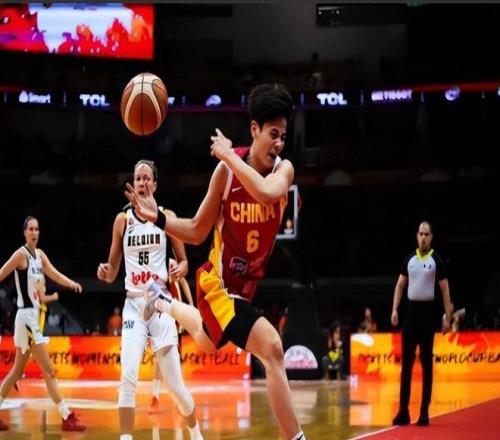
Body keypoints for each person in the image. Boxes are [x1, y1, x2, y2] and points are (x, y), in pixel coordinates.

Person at [126, 83, 308, 440]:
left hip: (245, 287)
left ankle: (161, 302)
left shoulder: (282, 170)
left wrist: (229, 156)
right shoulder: (225, 174)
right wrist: (157, 219)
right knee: (272, 347)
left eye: (283, 137)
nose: (278, 144)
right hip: (218, 284)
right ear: (254, 129)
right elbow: (196, 230)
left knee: (208, 342)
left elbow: (267, 193)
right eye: (273, 134)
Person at [97, 160, 203, 440]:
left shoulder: (167, 217)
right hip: (134, 305)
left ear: (155, 184)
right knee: (128, 377)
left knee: (176, 387)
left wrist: (180, 269)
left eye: (147, 178)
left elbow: (184, 262)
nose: (142, 182)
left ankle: (195, 433)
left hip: (160, 304)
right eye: (138, 178)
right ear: (133, 183)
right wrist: (105, 272)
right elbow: (112, 271)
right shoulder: (122, 220)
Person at [0, 216, 86, 431]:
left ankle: (66, 417)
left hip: (31, 319)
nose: (34, 232)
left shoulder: (40, 256)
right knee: (49, 370)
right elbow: (1, 274)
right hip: (26, 317)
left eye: (37, 229)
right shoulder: (20, 255)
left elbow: (54, 274)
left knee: (17, 371)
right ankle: (66, 417)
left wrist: (71, 283)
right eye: (30, 229)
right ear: (24, 232)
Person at [391, 221, 453, 427]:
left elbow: (445, 290)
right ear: (417, 236)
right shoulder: (409, 259)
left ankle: (424, 412)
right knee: (406, 366)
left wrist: (448, 316)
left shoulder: (437, 261)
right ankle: (403, 411)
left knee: (426, 365)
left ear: (431, 237)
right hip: (410, 316)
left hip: (428, 316)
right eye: (421, 234)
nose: (424, 238)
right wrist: (394, 309)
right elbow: (400, 285)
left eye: (427, 234)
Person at [148, 265, 195, 414]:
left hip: (174, 314)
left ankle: (177, 397)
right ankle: (155, 396)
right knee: (159, 356)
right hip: (159, 314)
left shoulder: (170, 262)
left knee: (173, 356)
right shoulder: (149, 266)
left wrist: (191, 304)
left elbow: (183, 281)